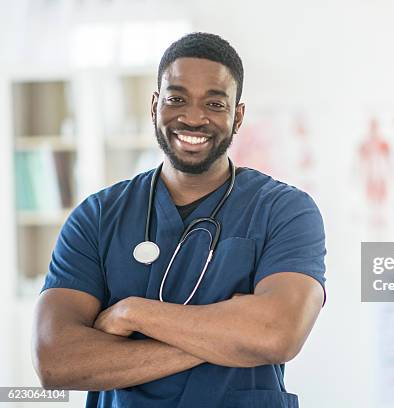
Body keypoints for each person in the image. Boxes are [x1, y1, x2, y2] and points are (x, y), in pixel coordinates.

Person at [32, 32, 326, 408]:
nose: (193, 117)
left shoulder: (285, 211)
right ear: (155, 105)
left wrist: (131, 312)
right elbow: (55, 362)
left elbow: (278, 335)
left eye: (215, 103)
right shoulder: (98, 216)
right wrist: (232, 336)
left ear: (237, 116)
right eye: (176, 98)